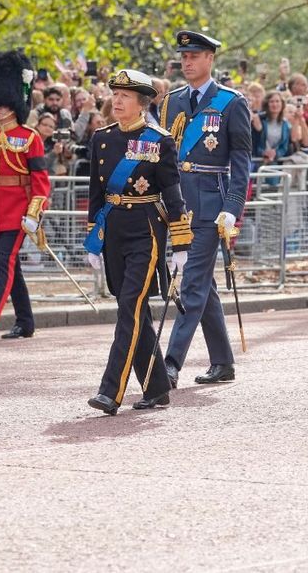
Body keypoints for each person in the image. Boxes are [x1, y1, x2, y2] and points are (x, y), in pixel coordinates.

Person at [83, 70, 193, 414]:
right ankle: (157, 387)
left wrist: (181, 243)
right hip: (113, 230)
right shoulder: (101, 138)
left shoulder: (159, 141)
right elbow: (96, 194)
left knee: (130, 306)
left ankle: (110, 391)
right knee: (134, 311)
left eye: (125, 96)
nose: (117, 101)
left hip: (146, 232)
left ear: (142, 103)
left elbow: (173, 194)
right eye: (115, 94)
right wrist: (93, 240)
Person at [160, 30, 251, 387]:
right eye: (183, 57)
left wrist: (233, 207)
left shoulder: (231, 102)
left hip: (211, 207)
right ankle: (223, 362)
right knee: (203, 286)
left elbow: (242, 161)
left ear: (210, 59)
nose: (187, 62)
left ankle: (169, 364)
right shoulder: (171, 103)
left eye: (194, 56)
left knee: (192, 285)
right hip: (178, 205)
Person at [0, 49, 50, 339]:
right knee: (11, 265)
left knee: (5, 263)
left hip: (18, 212)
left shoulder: (30, 137)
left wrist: (34, 213)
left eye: (6, 104)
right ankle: (25, 322)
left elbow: (40, 179)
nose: (0, 109)